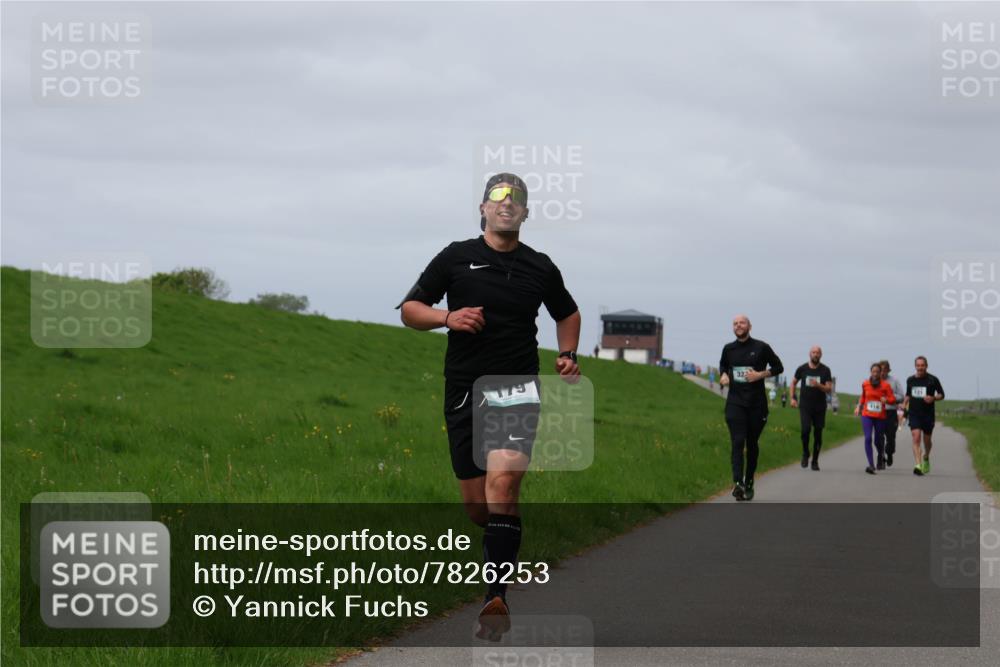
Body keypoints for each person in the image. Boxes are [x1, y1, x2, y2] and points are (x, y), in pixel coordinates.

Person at [398, 173, 581, 637]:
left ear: (525, 213)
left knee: (504, 486)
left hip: (515, 387)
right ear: (482, 207)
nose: (507, 203)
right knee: (479, 508)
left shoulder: (540, 266)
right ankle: (500, 544)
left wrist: (567, 353)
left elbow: (568, 312)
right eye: (498, 197)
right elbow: (409, 310)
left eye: (516, 198)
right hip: (462, 388)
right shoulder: (456, 257)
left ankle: (495, 598)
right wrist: (447, 317)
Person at [718, 315, 783, 501]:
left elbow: (779, 367)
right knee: (738, 441)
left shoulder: (761, 347)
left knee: (752, 444)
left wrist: (760, 375)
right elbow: (723, 364)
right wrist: (723, 375)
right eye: (735, 323)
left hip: (757, 405)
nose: (738, 326)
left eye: (742, 323)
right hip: (735, 403)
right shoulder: (728, 349)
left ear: (750, 326)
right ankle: (737, 483)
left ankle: (749, 481)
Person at [790, 345, 833, 470]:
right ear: (810, 354)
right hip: (805, 406)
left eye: (818, 353)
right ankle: (805, 453)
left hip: (820, 407)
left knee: (818, 434)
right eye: (813, 352)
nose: (815, 354)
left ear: (821, 355)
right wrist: (792, 398)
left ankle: (815, 460)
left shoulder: (825, 370)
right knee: (805, 430)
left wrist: (819, 385)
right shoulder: (802, 369)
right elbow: (793, 383)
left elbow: (829, 389)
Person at [903, 356, 945, 476]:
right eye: (918, 365)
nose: (920, 367)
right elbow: (908, 394)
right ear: (915, 366)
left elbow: (942, 394)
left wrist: (933, 398)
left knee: (927, 441)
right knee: (916, 437)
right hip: (914, 413)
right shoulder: (910, 380)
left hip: (928, 415)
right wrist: (904, 403)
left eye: (922, 365)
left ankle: (926, 456)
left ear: (926, 366)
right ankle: (918, 464)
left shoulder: (932, 380)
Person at [854, 362, 896, 474]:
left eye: (878, 371)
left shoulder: (885, 385)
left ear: (881, 373)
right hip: (867, 415)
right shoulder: (865, 384)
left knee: (878, 440)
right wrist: (858, 406)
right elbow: (863, 397)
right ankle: (871, 465)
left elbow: (892, 399)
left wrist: (886, 400)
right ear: (871, 372)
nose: (875, 373)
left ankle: (881, 453)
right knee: (868, 438)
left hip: (880, 416)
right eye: (873, 371)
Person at [878, 360, 904, 467]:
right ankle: (881, 456)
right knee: (879, 437)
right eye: (881, 370)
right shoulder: (874, 381)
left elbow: (901, 396)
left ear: (889, 370)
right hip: (878, 412)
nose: (882, 372)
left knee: (890, 436)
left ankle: (889, 453)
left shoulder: (894, 381)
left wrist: (889, 399)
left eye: (885, 370)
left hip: (891, 412)